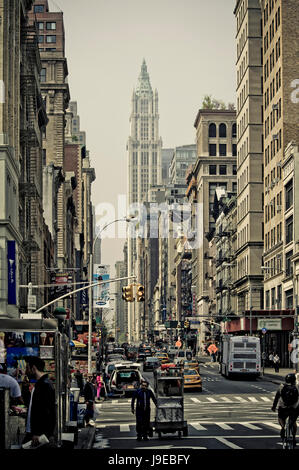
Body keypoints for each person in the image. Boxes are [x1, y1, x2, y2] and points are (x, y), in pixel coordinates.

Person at [23, 356, 56, 447]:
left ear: (33, 368)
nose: (26, 371)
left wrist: (38, 433)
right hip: (36, 433)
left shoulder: (44, 385)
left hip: (39, 435)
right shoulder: (41, 384)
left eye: (27, 368)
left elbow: (46, 411)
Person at [272, 373, 299, 447]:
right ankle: (293, 437)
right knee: (293, 422)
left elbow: (277, 397)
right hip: (294, 408)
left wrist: (274, 407)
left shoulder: (281, 387)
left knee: (280, 418)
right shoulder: (297, 386)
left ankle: (283, 427)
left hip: (283, 407)